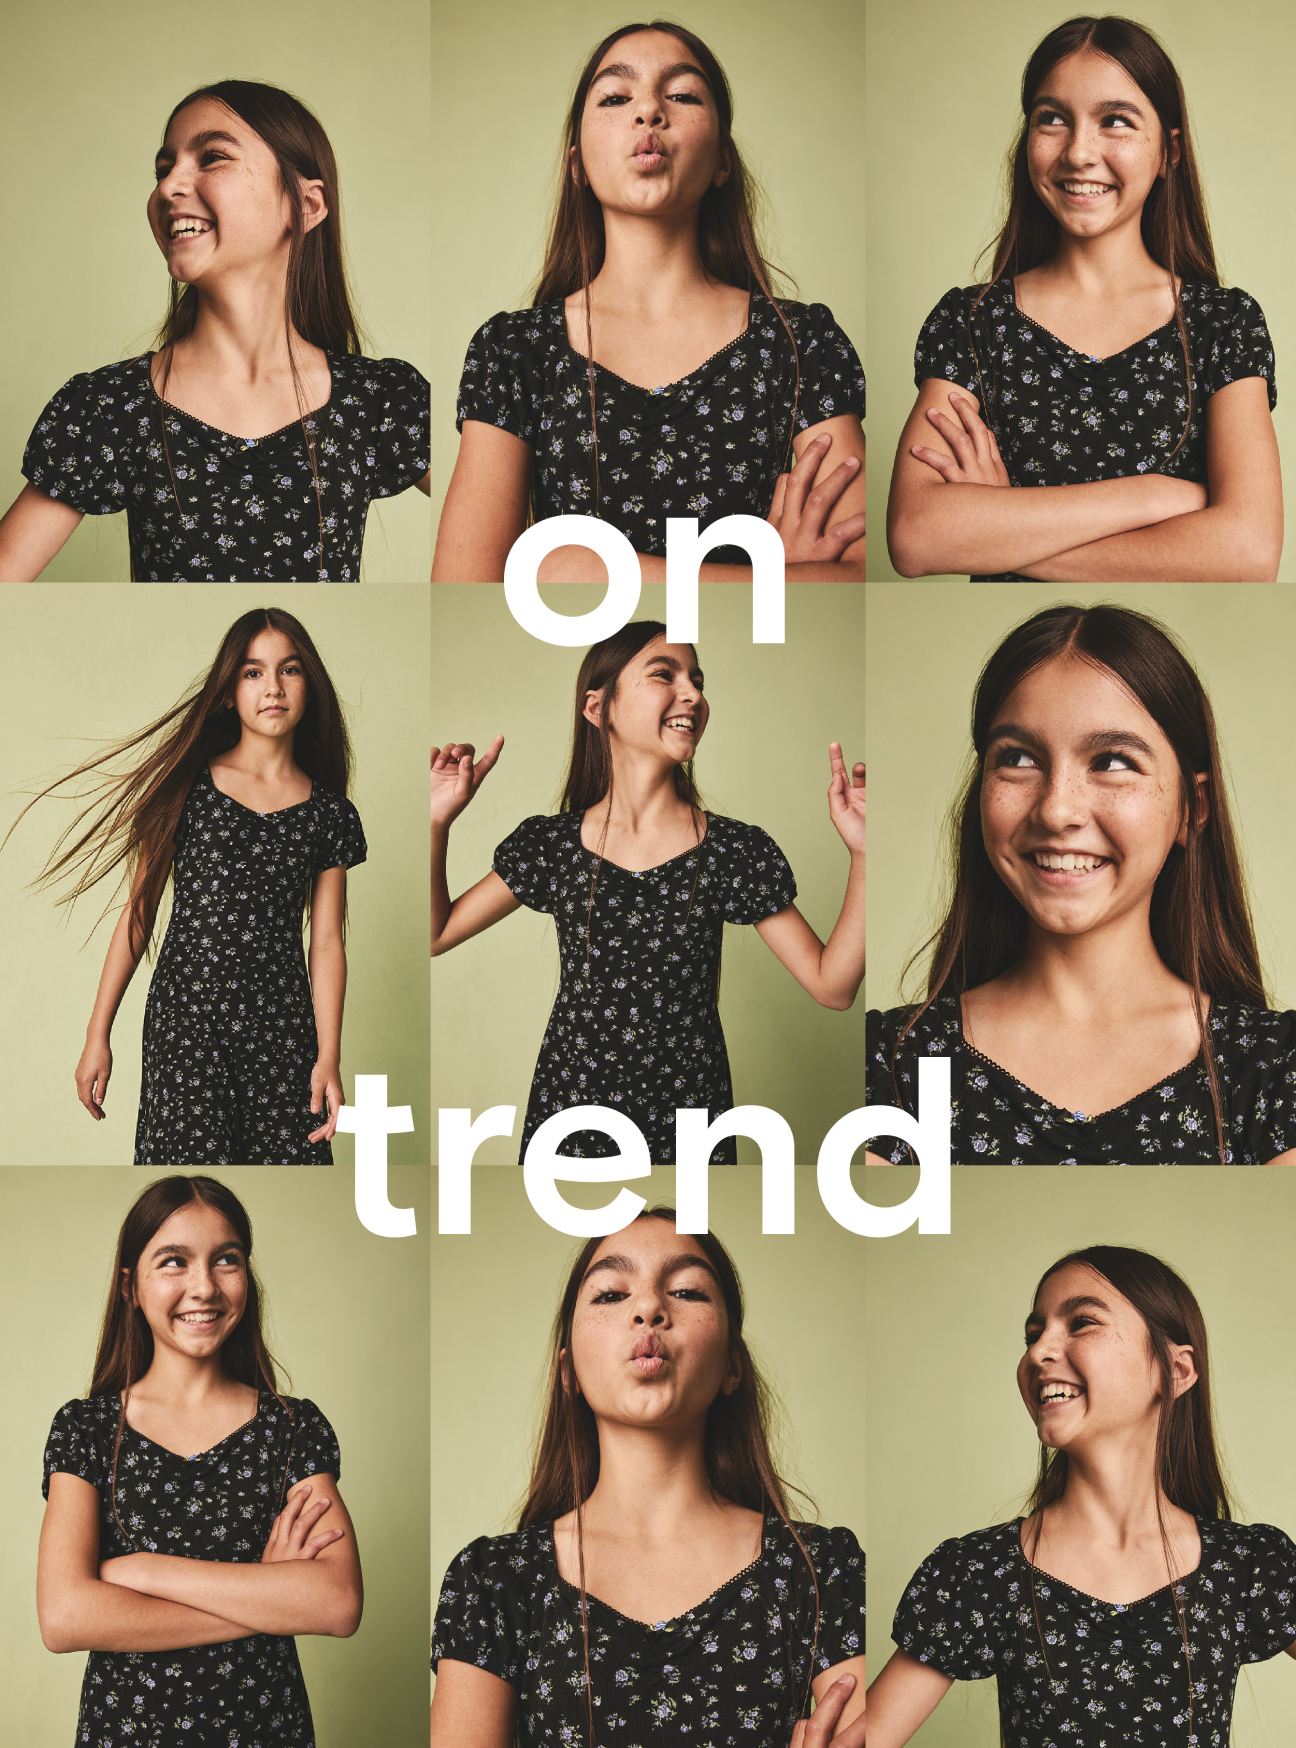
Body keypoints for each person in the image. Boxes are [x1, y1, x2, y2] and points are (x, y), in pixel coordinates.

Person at [432, 21, 866, 583]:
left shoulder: (803, 341)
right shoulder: (512, 351)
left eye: (682, 95)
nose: (649, 112)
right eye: (616, 97)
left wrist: (588, 569)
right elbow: (467, 583)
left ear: (723, 162)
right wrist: (771, 580)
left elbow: (856, 577)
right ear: (577, 167)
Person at [866, 603, 1296, 1164]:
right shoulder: (889, 1064)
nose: (1057, 809)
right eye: (1018, 758)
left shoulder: (1275, 1067)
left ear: (1194, 809)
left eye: (1113, 762)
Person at [431, 619, 866, 1162]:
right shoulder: (550, 845)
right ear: (598, 708)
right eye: (665, 674)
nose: (693, 694)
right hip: (571, 1113)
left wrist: (864, 854)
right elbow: (436, 932)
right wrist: (435, 824)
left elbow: (834, 987)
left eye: (699, 680)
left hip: (692, 1121)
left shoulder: (734, 851)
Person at [429, 1206, 866, 1747]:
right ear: (570, 1373)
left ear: (733, 1366)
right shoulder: (492, 1583)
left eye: (686, 1291)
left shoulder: (823, 1570)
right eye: (612, 1294)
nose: (649, 1308)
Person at [886, 15, 1281, 582]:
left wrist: (999, 531)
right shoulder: (971, 322)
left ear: (1169, 152)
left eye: (1115, 121)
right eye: (1053, 119)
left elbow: (1248, 552)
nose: (1078, 152)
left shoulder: (1225, 324)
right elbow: (916, 536)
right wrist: (1152, 497)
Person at [0, 80, 430, 582]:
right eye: (163, 169)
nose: (167, 187)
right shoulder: (106, 406)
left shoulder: (383, 399)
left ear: (305, 207)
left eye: (212, 158)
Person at [865, 1244, 1296, 1745]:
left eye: (1082, 1323)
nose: (1037, 1351)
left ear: (1175, 1372)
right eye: (1032, 1334)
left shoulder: (1250, 1564)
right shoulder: (979, 1571)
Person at [14, 607, 366, 1163]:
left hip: (282, 1031)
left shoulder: (331, 815)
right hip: (187, 1024)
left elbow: (326, 944)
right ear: (228, 692)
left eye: (289, 670)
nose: (272, 687)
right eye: (252, 672)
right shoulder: (189, 788)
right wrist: (96, 1036)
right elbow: (137, 915)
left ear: (310, 685)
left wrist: (329, 1056)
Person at [37, 1174, 362, 1748]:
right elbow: (64, 1617)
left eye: (226, 1260)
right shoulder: (84, 1429)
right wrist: (268, 1593)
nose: (204, 1287)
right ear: (129, 1287)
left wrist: (143, 1571)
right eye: (173, 1261)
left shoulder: (293, 1428)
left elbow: (336, 1603)